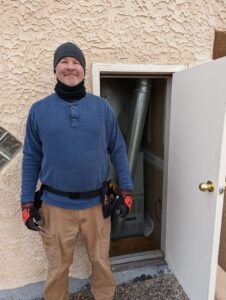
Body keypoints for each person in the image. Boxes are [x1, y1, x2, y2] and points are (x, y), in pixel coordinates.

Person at [20, 42, 133, 300]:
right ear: (55, 68)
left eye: (76, 63)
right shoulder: (39, 111)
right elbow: (31, 157)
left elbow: (118, 148)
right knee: (58, 268)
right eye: (64, 62)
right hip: (54, 207)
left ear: (83, 69)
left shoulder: (102, 108)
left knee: (101, 262)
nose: (70, 67)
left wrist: (126, 189)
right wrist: (26, 202)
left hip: (97, 205)